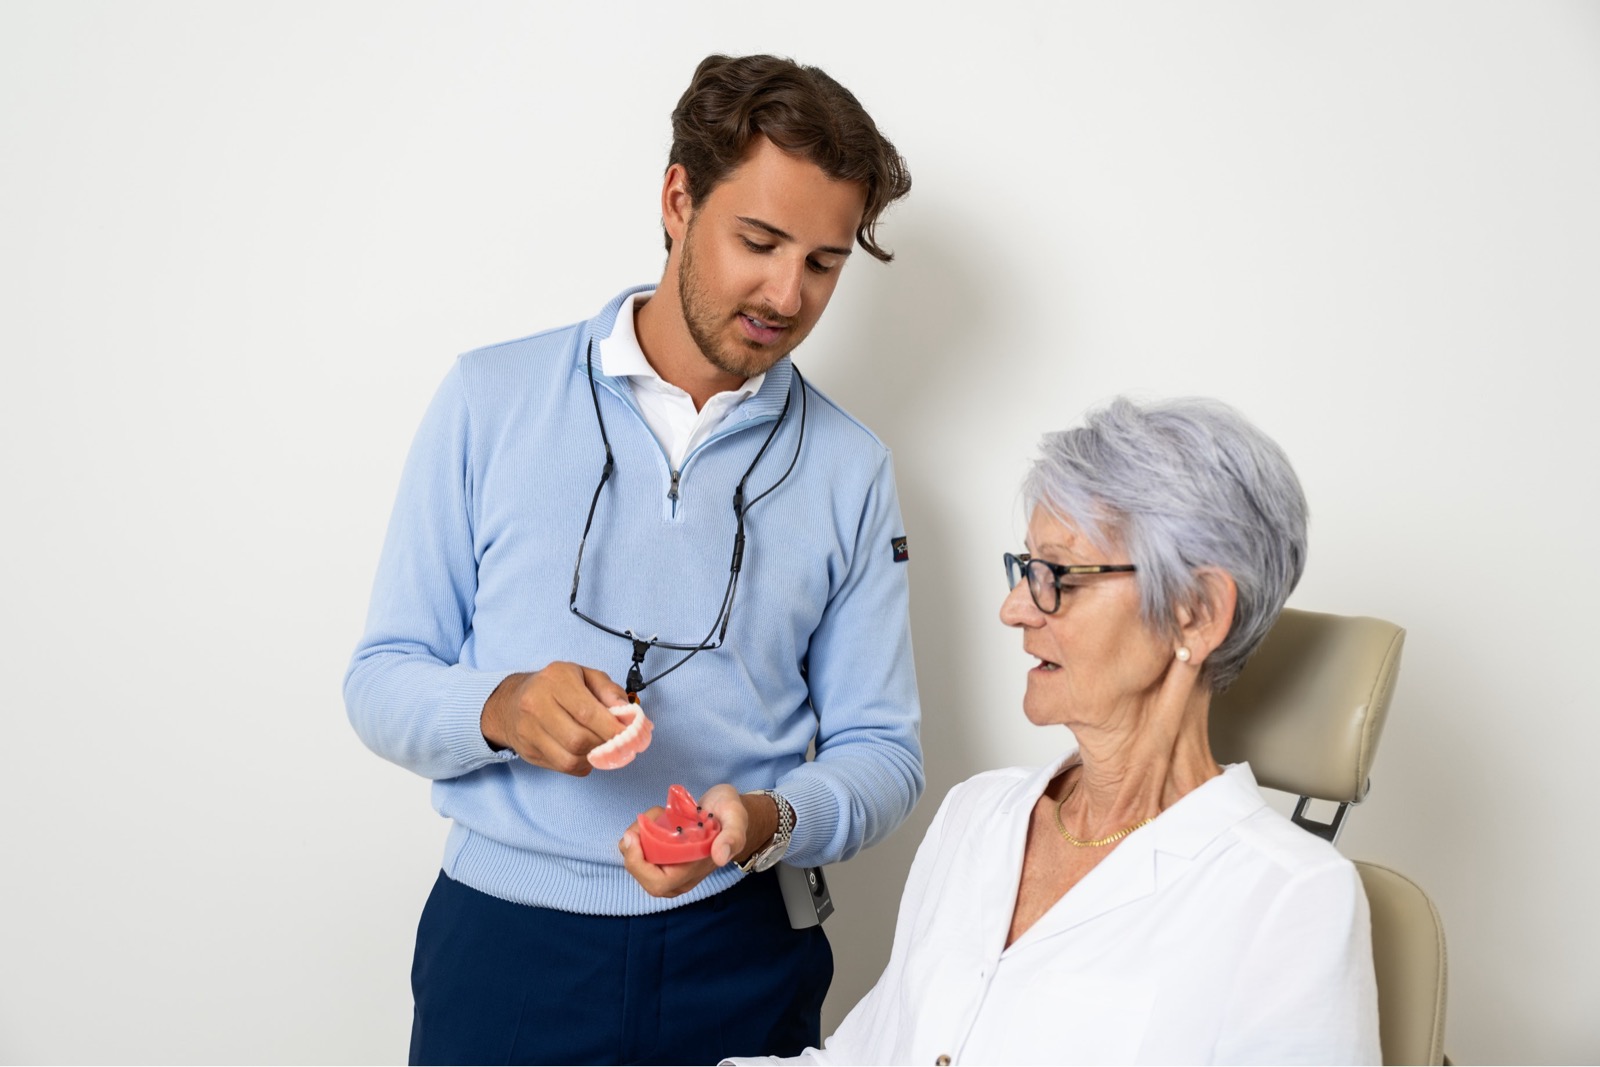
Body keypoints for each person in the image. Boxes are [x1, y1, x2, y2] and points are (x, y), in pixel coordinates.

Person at [344, 54, 923, 1065]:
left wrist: (769, 817)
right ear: (676, 197)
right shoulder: (489, 398)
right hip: (506, 946)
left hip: (743, 949)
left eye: (824, 263)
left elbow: (885, 750)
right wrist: (502, 707)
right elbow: (381, 677)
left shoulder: (852, 467)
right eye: (759, 240)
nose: (787, 293)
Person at [728, 397, 1380, 1065]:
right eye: (1025, 569)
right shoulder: (978, 815)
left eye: (1059, 576)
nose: (1014, 608)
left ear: (1196, 613)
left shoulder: (1290, 899)